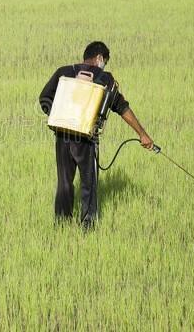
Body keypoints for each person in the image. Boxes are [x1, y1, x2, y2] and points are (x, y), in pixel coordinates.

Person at [38, 41, 154, 230]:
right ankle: (88, 227)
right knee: (89, 184)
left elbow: (44, 98)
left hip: (63, 136)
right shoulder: (105, 78)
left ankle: (61, 225)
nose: (104, 65)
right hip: (86, 138)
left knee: (65, 183)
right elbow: (122, 107)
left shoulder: (64, 72)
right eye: (105, 61)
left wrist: (59, 115)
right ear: (99, 58)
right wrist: (143, 134)